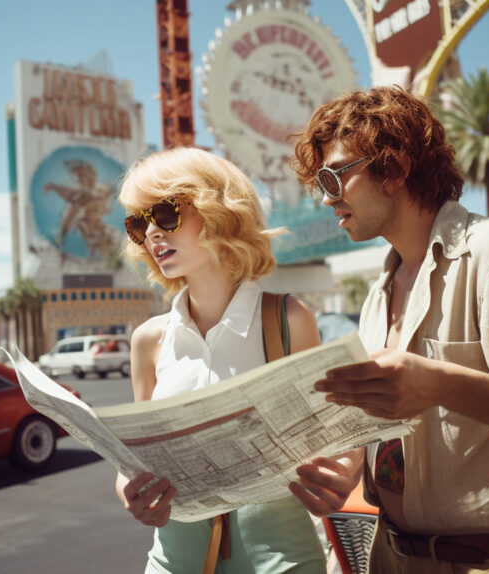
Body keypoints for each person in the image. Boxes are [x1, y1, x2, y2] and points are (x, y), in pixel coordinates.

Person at [290, 86, 489, 573]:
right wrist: (351, 463)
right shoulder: (382, 286)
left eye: (334, 176)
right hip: (390, 553)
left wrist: (438, 383)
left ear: (393, 169)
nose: (327, 198)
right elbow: (391, 423)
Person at [113, 147, 361, 573]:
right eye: (139, 223)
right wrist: (129, 493)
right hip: (173, 559)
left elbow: (336, 439)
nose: (152, 232)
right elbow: (135, 464)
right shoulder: (149, 340)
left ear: (218, 211)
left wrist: (344, 471)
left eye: (166, 213)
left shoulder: (288, 319)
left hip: (280, 558)